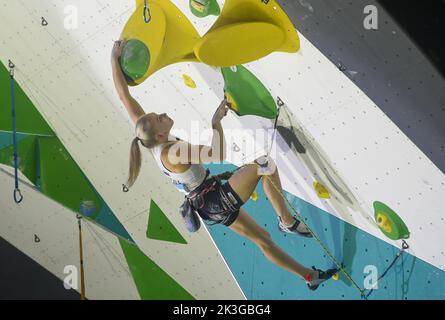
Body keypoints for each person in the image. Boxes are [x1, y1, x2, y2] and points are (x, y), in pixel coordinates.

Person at [111, 40, 337, 290]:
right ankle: (286, 221)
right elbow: (217, 153)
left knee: (263, 240)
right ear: (161, 135)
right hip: (213, 199)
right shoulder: (173, 152)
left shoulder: (148, 139)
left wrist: (114, 59)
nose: (162, 114)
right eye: (159, 118)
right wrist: (215, 121)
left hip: (206, 205)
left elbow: (124, 96)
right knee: (265, 165)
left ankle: (309, 276)